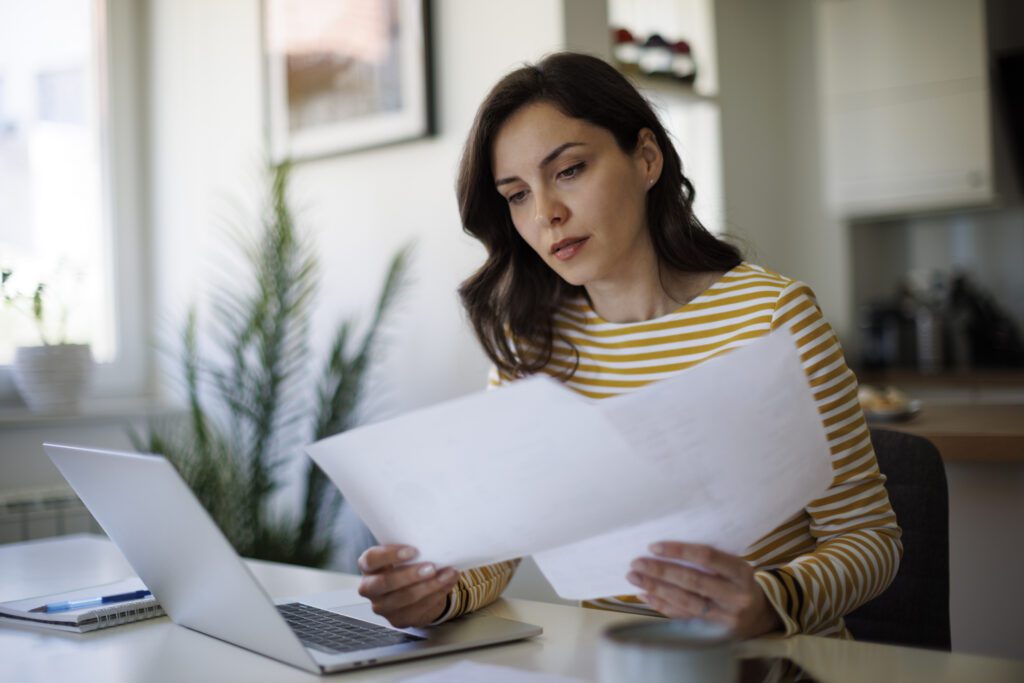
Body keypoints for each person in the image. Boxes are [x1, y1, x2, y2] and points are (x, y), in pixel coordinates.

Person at [356, 52, 902, 639]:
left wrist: (772, 599)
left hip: (774, 666)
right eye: (516, 194)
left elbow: (870, 539)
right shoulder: (531, 346)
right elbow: (497, 547)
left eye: (569, 170)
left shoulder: (772, 315)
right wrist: (434, 595)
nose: (547, 214)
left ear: (646, 158)